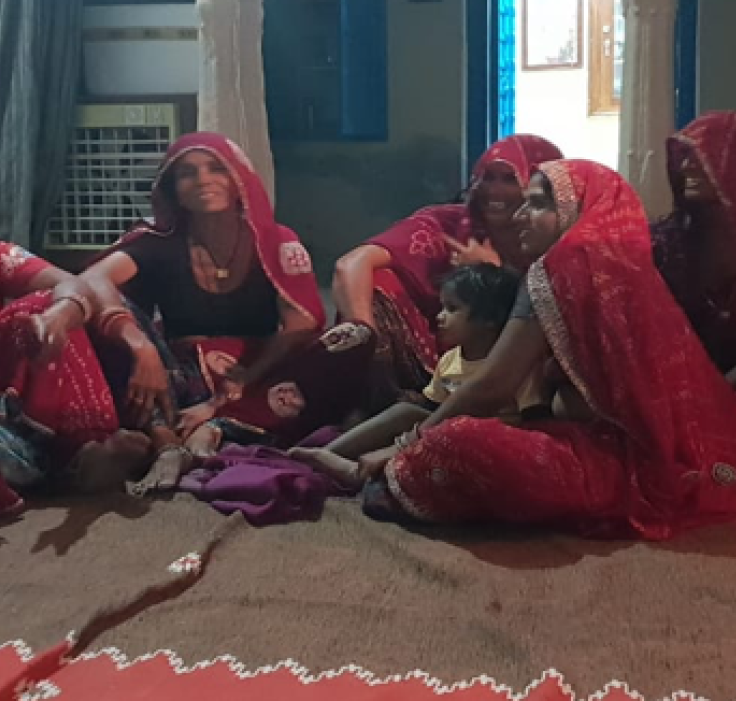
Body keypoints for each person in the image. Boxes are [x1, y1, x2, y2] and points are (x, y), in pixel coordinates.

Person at [360, 159, 736, 540]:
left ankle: (401, 470)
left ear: (575, 210)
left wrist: (406, 445)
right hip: (654, 446)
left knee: (457, 441)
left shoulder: (560, 266)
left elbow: (494, 386)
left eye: (539, 204)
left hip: (624, 459)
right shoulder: (619, 264)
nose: (521, 215)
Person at [83, 132, 375, 493]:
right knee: (97, 312)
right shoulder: (155, 242)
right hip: (179, 373)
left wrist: (229, 395)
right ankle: (167, 443)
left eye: (216, 169)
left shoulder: (278, 241)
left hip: (259, 372)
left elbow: (300, 327)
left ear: (240, 180)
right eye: (188, 173)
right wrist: (140, 346)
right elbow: (91, 280)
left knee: (348, 342)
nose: (203, 180)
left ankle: (220, 426)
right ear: (172, 188)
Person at [0, 150, 136, 519]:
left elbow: (70, 282)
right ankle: (53, 470)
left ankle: (81, 450)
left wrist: (60, 316)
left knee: (39, 308)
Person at [332, 134, 563, 398]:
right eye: (488, 177)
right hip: (436, 354)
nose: (494, 191)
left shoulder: (556, 235)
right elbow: (351, 265)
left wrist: (489, 276)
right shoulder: (447, 226)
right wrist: (366, 337)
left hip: (518, 369)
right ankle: (383, 399)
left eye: (510, 180)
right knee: (378, 285)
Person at [291, 263, 545, 485]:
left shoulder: (511, 366)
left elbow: (534, 421)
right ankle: (324, 454)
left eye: (452, 309)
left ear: (490, 319)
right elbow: (431, 410)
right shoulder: (450, 361)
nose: (440, 316)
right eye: (442, 307)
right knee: (406, 411)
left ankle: (361, 473)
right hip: (437, 436)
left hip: (484, 444)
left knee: (451, 436)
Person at [652, 111, 736, 383]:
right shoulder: (661, 247)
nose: (686, 166)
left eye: (702, 155)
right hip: (671, 389)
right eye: (684, 156)